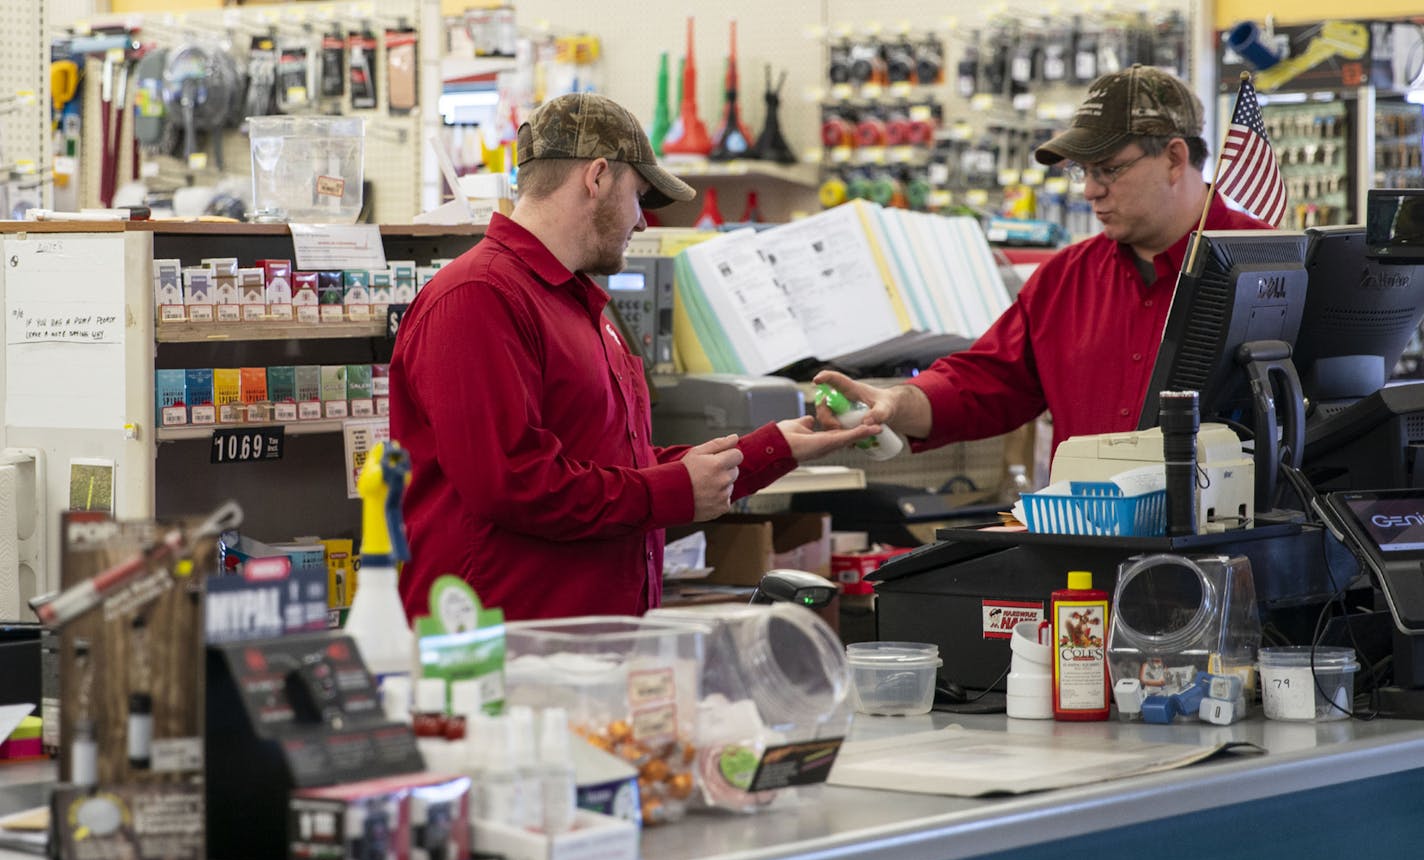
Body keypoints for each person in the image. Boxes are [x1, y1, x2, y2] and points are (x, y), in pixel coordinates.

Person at [390, 92, 878, 622]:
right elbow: (514, 483)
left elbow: (618, 470)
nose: (643, 222)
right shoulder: (479, 298)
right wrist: (670, 490)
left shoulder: (576, 303)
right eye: (640, 196)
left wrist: (773, 449)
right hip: (502, 652)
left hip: (586, 645)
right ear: (597, 177)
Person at [814, 65, 1272, 459]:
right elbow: (984, 383)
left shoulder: (1272, 267)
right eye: (1083, 172)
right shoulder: (1063, 280)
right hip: (1090, 543)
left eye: (1107, 169)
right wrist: (896, 401)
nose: (1091, 190)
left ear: (1175, 158)